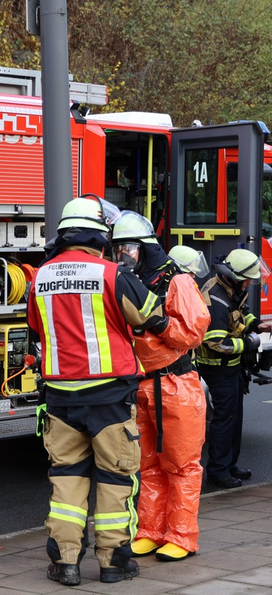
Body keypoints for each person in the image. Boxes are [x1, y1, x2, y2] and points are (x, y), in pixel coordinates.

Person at [27, 197, 169, 586]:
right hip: (109, 398)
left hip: (59, 398)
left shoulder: (40, 277)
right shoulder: (111, 274)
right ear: (100, 237)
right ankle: (114, 563)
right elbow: (154, 317)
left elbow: (38, 331)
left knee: (67, 479)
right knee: (115, 480)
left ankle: (66, 563)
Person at [110, 214, 210, 562]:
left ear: (145, 247)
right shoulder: (130, 280)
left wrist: (158, 322)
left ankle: (181, 536)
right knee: (148, 465)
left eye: (129, 247)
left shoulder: (176, 281)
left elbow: (193, 333)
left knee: (181, 465)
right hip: (144, 384)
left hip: (176, 383)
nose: (123, 254)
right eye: (119, 247)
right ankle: (151, 531)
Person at [197, 248, 272, 489]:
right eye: (247, 279)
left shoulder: (229, 289)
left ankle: (229, 464)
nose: (250, 283)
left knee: (234, 419)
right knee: (224, 420)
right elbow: (216, 343)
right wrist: (251, 341)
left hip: (231, 368)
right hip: (219, 369)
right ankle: (218, 471)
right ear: (234, 276)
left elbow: (241, 314)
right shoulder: (216, 301)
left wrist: (257, 325)